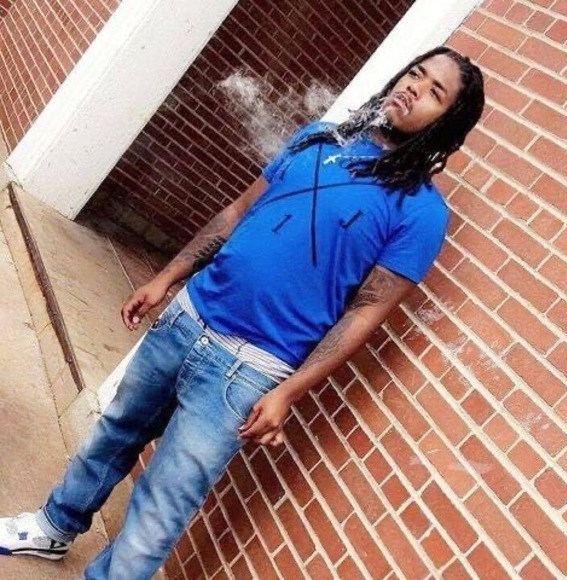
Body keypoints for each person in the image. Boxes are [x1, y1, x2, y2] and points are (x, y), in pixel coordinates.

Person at [0, 46, 485, 579]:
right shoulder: (319, 138)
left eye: (435, 92)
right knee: (114, 432)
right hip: (189, 317)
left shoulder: (420, 211)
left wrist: (288, 391)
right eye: (416, 73)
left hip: (249, 369)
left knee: (163, 504)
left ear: (447, 124)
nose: (415, 87)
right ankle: (53, 526)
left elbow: (366, 313)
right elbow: (238, 212)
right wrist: (168, 277)